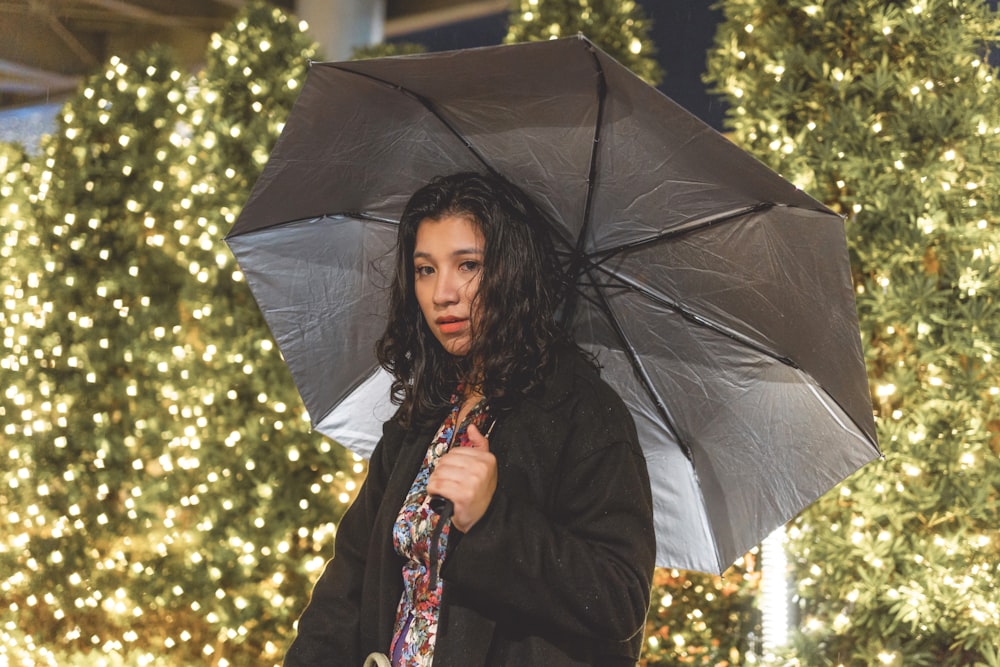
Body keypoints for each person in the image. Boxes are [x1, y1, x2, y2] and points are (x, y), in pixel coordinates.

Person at [284, 172, 655, 666]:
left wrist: (492, 520)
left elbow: (619, 600)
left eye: (468, 265)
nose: (443, 293)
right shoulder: (422, 416)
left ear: (512, 271)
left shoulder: (583, 413)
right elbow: (347, 583)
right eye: (425, 270)